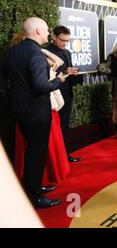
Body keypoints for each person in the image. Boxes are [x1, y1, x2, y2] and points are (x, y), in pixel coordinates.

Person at [4, 17, 68, 208]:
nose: (49, 33)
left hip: (19, 111)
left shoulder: (12, 52)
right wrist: (59, 81)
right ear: (38, 32)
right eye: (47, 30)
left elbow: (4, 82)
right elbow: (41, 86)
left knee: (32, 153)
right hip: (37, 114)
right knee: (36, 154)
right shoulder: (35, 54)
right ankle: (34, 196)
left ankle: (34, 187)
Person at [47, 26, 81, 163]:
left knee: (64, 126)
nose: (65, 43)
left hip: (66, 94)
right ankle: (56, 160)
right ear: (54, 37)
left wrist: (73, 73)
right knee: (55, 129)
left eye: (67, 41)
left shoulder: (67, 52)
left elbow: (68, 72)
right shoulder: (46, 52)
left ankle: (65, 155)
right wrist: (64, 71)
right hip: (53, 95)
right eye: (62, 40)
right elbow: (46, 74)